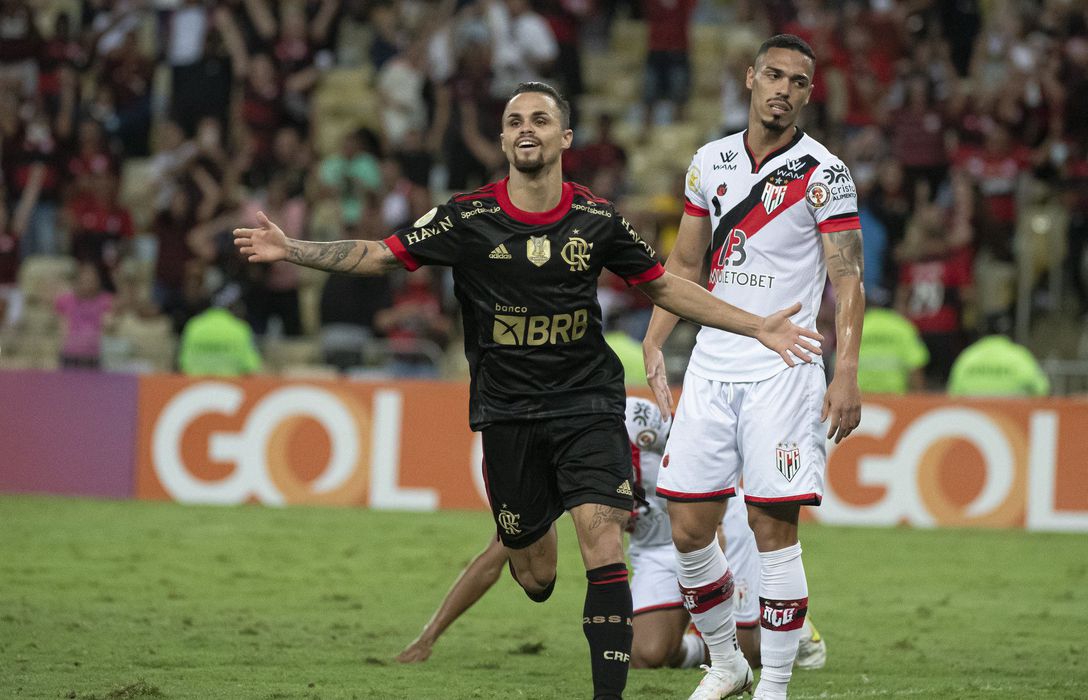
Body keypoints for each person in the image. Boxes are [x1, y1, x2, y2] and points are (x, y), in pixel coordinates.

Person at [234, 81, 822, 700]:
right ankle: (536, 552)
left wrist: (756, 324)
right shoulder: (467, 217)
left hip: (587, 404)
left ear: (564, 138)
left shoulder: (595, 218)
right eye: (515, 119)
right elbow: (379, 254)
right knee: (536, 574)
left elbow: (666, 286)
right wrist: (290, 249)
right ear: (503, 138)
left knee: (601, 536)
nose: (526, 128)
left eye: (540, 119)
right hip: (507, 415)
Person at [641, 35, 864, 700]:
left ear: (808, 93)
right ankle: (724, 661)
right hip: (712, 362)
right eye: (774, 74)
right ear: (749, 77)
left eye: (799, 81)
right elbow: (683, 265)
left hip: (786, 367)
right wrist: (655, 342)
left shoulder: (825, 173)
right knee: (687, 525)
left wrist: (847, 370)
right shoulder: (709, 162)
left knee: (772, 526)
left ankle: (775, 684)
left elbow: (847, 278)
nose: (784, 89)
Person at [393, 397, 828, 671]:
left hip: (715, 522)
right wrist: (428, 637)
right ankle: (694, 639)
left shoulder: (633, 418)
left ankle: (795, 625)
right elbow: (494, 559)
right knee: (645, 655)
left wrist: (716, 543)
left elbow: (705, 455)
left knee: (749, 653)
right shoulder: (553, 470)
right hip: (656, 547)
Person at [946, 334, 1049, 397]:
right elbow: (1042, 389)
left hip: (973, 420)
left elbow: (952, 393)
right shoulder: (1019, 355)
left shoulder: (968, 356)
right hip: (1016, 422)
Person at [856, 306, 929, 395]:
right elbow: (916, 365)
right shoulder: (903, 327)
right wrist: (918, 398)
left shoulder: (857, 326)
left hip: (859, 397)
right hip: (896, 398)